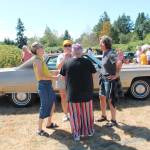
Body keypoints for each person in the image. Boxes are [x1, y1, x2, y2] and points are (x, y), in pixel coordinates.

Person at [60, 43, 96, 141]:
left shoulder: (67, 63)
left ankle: (76, 134)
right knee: (87, 114)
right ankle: (88, 131)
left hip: (72, 94)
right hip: (87, 92)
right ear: (81, 51)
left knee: (75, 115)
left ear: (72, 51)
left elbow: (63, 78)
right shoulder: (88, 62)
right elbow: (93, 75)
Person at [31, 42, 58, 137]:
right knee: (45, 106)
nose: (43, 49)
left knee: (52, 104)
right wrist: (54, 78)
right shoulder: (37, 60)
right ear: (37, 50)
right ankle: (39, 129)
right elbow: (41, 76)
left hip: (47, 84)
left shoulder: (41, 59)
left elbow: (45, 72)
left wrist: (54, 72)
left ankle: (49, 124)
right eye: (41, 48)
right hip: (43, 85)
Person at [96, 36, 123, 127]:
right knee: (101, 97)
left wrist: (117, 74)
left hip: (109, 80)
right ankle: (104, 116)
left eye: (101, 43)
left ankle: (113, 120)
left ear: (106, 44)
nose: (100, 44)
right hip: (103, 78)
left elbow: (119, 63)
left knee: (111, 100)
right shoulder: (104, 52)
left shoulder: (111, 53)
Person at [56, 40, 72, 122]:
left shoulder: (74, 55)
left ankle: (73, 114)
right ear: (63, 47)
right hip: (62, 80)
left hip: (71, 80)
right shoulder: (60, 56)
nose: (68, 47)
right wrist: (65, 58)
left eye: (69, 45)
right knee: (63, 97)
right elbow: (58, 67)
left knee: (72, 97)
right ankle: (66, 115)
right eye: (66, 46)